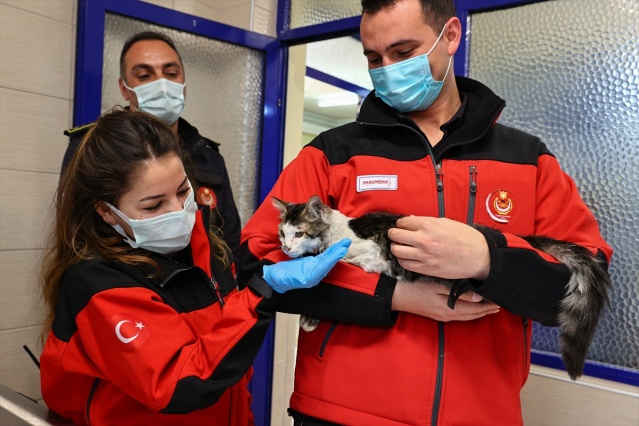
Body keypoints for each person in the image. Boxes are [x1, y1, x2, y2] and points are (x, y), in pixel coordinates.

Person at [237, 0, 613, 424]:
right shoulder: (332, 153)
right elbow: (258, 262)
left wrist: (488, 257)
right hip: (341, 411)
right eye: (374, 58)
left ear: (450, 35)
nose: (386, 70)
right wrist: (392, 296)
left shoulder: (527, 160)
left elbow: (578, 282)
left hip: (479, 413)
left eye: (402, 52)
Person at [39, 110, 350, 426]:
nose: (178, 212)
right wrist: (260, 291)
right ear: (107, 211)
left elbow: (225, 358)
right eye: (153, 205)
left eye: (183, 191)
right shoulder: (97, 282)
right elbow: (181, 383)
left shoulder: (206, 246)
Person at [61, 31, 242, 263]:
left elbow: (230, 241)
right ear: (124, 88)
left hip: (204, 284)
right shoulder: (90, 149)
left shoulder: (208, 154)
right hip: (128, 283)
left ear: (184, 84)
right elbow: (76, 240)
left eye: (171, 73)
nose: (162, 84)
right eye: (145, 75)